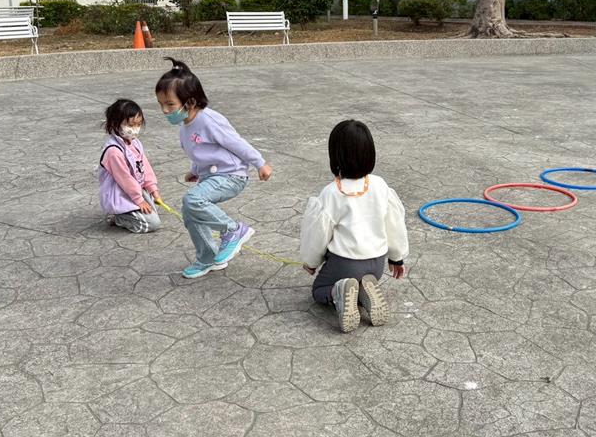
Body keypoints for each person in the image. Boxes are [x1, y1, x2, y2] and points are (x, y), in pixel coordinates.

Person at [155, 58, 273, 279]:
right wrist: (195, 170)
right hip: (211, 176)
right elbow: (200, 151)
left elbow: (236, 142)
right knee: (190, 211)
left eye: (170, 104)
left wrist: (260, 163)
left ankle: (233, 230)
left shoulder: (209, 120)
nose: (164, 110)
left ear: (190, 102)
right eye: (161, 104)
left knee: (192, 200)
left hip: (231, 175)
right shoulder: (185, 125)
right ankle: (207, 258)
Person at [299, 119, 409, 333]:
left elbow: (318, 234)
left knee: (319, 290)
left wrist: (311, 262)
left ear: (335, 155)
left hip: (345, 263)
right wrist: (397, 258)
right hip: (376, 265)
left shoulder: (331, 193)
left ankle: (338, 292)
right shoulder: (380, 185)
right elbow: (394, 224)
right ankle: (362, 292)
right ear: (370, 153)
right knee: (358, 282)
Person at [98, 99, 162, 233]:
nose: (135, 129)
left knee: (154, 211)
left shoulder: (135, 143)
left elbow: (145, 167)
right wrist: (139, 200)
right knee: (153, 224)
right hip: (120, 193)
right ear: (115, 124)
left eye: (138, 124)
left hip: (134, 190)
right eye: (130, 125)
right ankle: (118, 217)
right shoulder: (113, 152)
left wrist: (153, 189)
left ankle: (129, 212)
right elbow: (125, 179)